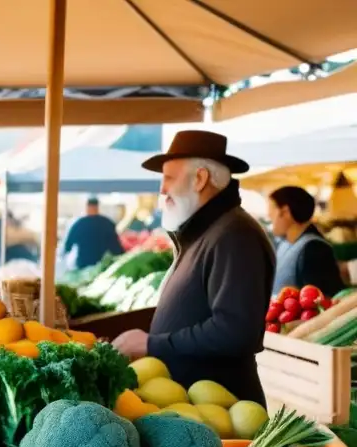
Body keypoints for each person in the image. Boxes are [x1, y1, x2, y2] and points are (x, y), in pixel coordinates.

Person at [113, 130, 274, 405]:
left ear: (200, 179)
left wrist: (152, 344)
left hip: (224, 415)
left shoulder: (234, 235)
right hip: (197, 411)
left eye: (169, 178)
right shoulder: (209, 231)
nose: (162, 189)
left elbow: (234, 331)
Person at [267, 185, 345, 298]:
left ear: (285, 212)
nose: (269, 217)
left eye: (271, 215)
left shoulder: (314, 249)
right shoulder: (284, 243)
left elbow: (320, 301)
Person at [62, 196, 125, 269]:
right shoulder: (107, 223)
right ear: (97, 207)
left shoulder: (79, 224)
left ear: (87, 207)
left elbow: (68, 246)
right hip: (101, 265)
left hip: (87, 265)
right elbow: (116, 248)